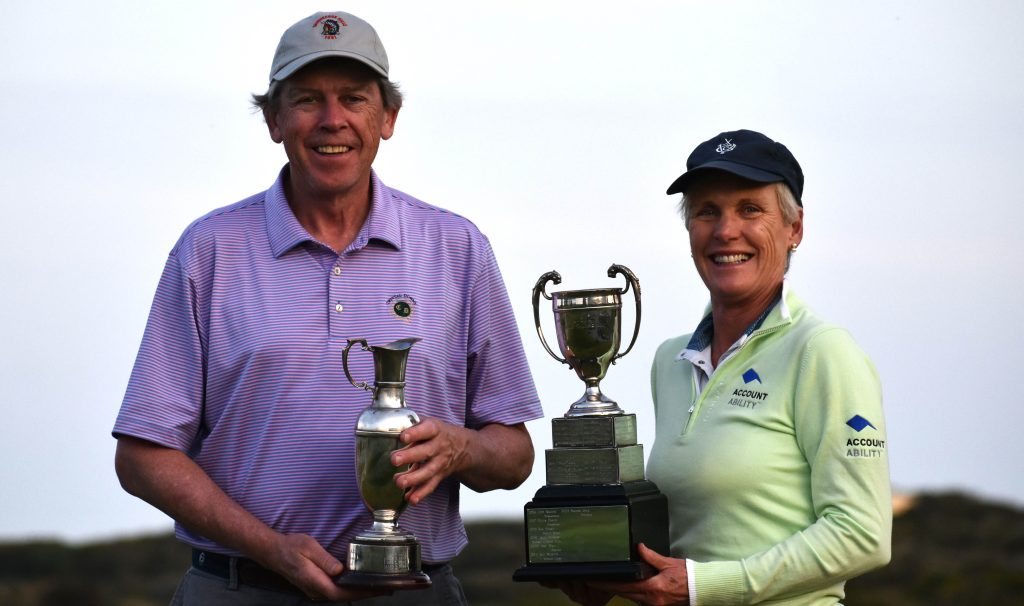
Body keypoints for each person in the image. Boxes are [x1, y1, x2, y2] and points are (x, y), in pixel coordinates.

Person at [112, 11, 542, 605]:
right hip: (241, 588)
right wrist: (270, 547)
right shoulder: (208, 249)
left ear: (387, 117)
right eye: (307, 99)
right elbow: (142, 455)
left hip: (414, 590)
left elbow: (514, 453)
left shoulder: (456, 247)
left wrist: (461, 448)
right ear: (274, 119)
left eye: (354, 98)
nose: (332, 120)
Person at [562, 130, 892, 605]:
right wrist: (605, 569)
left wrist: (703, 588)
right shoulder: (670, 361)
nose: (725, 231)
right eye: (706, 211)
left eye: (750, 209)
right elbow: (689, 541)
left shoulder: (822, 351)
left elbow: (862, 534)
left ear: (794, 228)